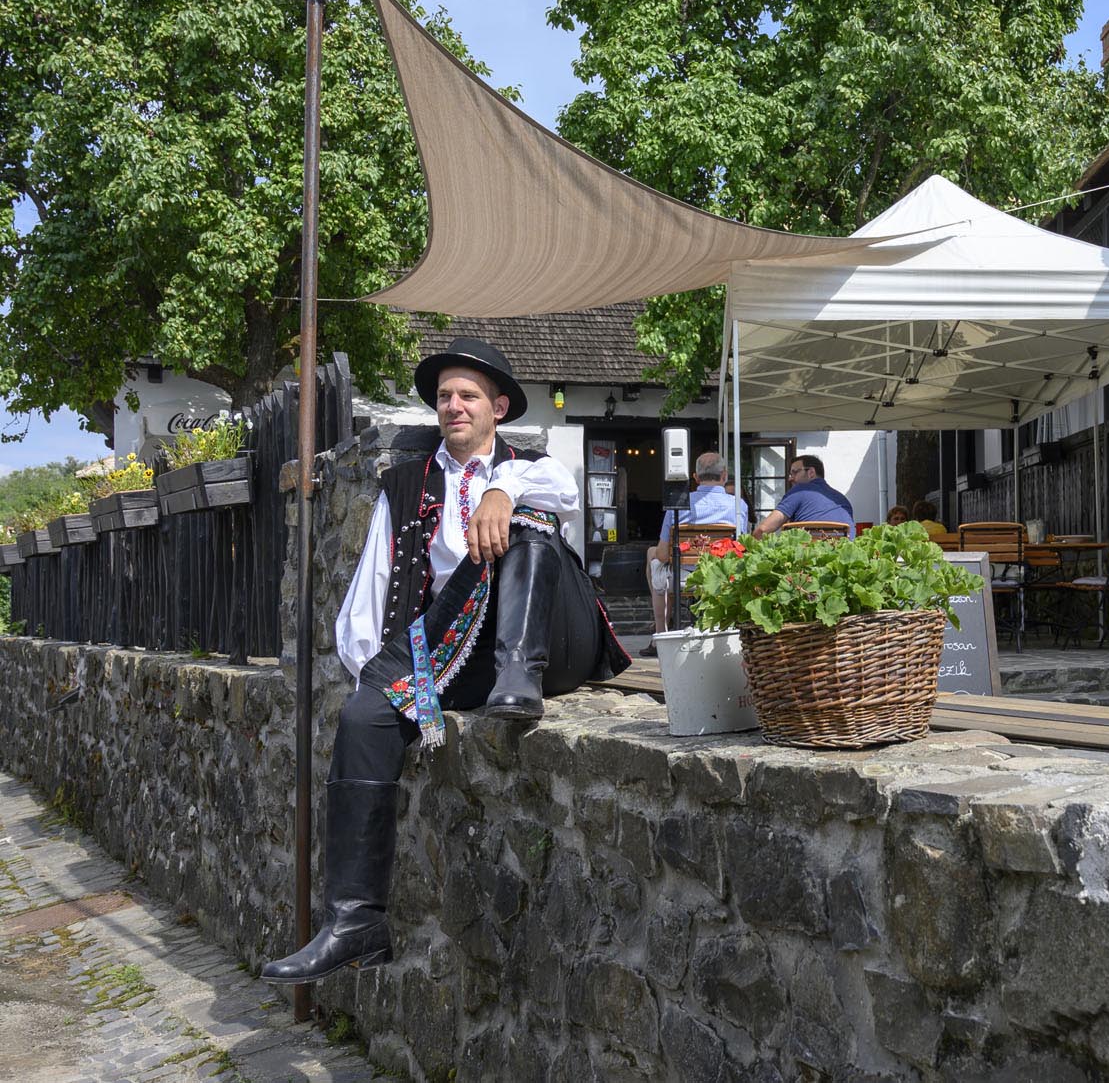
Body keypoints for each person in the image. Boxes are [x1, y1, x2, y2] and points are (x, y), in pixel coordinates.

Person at [260, 338, 629, 986]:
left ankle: (520, 670)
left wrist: (500, 491)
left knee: (531, 524)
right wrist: (402, 695)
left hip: (547, 643)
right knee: (364, 717)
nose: (452, 405)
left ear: (499, 406)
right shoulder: (405, 484)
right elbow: (367, 603)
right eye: (444, 396)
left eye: (468, 395)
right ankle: (356, 920)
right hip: (455, 654)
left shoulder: (532, 465)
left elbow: (566, 493)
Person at [649, 451, 750, 629]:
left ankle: (660, 631)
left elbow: (663, 555)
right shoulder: (738, 505)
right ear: (724, 475)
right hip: (723, 577)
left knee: (652, 554)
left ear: (695, 477)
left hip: (684, 578)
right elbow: (740, 547)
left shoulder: (678, 506)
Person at [752, 454, 854, 536]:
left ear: (811, 473)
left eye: (794, 473)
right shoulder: (843, 501)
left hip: (806, 560)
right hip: (842, 558)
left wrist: (746, 549)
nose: (790, 478)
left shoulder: (800, 490)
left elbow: (763, 529)